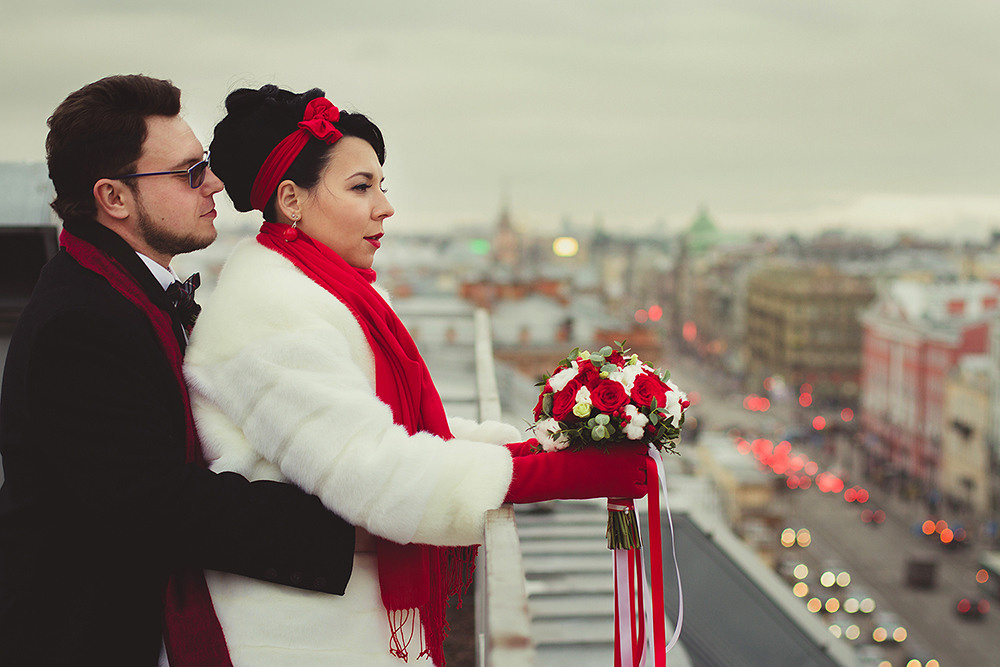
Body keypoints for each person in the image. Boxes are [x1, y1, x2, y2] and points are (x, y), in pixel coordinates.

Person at [183, 84, 649, 665]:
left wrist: (539, 448)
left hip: (326, 617)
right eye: (361, 186)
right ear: (291, 199)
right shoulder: (271, 310)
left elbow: (387, 429)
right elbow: (375, 469)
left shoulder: (310, 287)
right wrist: (561, 476)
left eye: (383, 185)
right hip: (300, 638)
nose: (386, 206)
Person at [0, 75, 361, 666]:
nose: (214, 183)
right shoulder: (82, 322)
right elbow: (157, 502)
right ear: (114, 198)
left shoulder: (115, 291)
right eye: (189, 172)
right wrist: (349, 521)